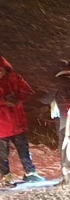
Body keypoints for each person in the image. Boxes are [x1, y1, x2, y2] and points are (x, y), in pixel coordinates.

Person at [0, 56, 44, 187]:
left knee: (24, 149)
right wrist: (3, 101)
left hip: (17, 123)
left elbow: (27, 91)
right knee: (2, 153)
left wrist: (18, 98)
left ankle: (30, 173)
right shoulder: (13, 78)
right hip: (2, 125)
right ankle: (5, 176)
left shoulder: (14, 78)